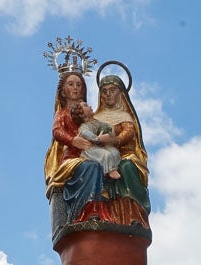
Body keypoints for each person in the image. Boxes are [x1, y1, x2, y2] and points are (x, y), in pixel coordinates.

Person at [45, 71, 150, 230]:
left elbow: (121, 132)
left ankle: (126, 215)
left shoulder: (94, 116)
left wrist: (111, 139)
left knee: (123, 165)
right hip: (75, 156)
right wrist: (73, 140)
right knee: (91, 167)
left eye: (79, 85)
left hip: (97, 152)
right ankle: (89, 211)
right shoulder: (64, 113)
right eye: (71, 84)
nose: (75, 88)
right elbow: (57, 131)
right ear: (62, 90)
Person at [70, 99, 121, 179]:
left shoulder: (97, 122)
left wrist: (110, 132)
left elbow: (108, 127)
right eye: (86, 106)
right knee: (105, 155)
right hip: (91, 149)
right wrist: (97, 138)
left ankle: (114, 168)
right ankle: (110, 171)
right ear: (81, 114)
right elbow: (85, 133)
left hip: (101, 146)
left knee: (115, 152)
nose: (90, 106)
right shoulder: (84, 126)